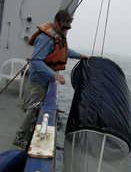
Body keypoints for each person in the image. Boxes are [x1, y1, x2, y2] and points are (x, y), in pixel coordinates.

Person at [13, 9, 88, 148]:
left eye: (68, 27)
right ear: (55, 22)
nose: (66, 30)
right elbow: (36, 61)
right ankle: (19, 137)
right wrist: (55, 75)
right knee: (34, 107)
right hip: (39, 80)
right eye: (64, 26)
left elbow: (64, 50)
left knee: (39, 107)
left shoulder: (59, 34)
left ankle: (30, 130)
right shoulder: (44, 38)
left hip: (48, 78)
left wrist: (79, 55)